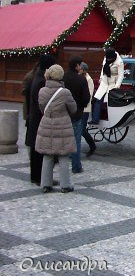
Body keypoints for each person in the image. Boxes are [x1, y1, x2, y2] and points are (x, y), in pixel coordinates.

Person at [35, 64, 77, 193]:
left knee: (48, 155)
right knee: (63, 155)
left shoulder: (42, 91)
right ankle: (65, 185)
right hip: (63, 125)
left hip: (46, 123)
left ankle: (46, 185)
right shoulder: (65, 92)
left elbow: (42, 108)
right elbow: (73, 109)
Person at [26, 54, 56, 185]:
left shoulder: (36, 77)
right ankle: (39, 177)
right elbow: (42, 104)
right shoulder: (41, 81)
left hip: (34, 118)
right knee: (39, 150)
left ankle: (35, 176)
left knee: (35, 150)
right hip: (39, 119)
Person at [63, 56, 90, 174]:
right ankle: (76, 166)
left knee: (62, 139)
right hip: (76, 113)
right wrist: (81, 106)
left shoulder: (62, 77)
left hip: (62, 113)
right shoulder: (81, 80)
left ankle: (60, 163)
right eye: (80, 65)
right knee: (76, 141)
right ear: (77, 66)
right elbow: (86, 98)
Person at [90, 48, 124, 124]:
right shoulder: (106, 58)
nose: (108, 59)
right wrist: (101, 78)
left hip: (113, 83)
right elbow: (103, 69)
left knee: (108, 102)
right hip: (104, 82)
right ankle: (95, 120)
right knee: (98, 100)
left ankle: (111, 119)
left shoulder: (119, 62)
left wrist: (117, 86)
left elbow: (121, 75)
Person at [79, 62, 96, 157]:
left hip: (85, 108)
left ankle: (92, 145)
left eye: (81, 69)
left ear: (84, 70)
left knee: (82, 130)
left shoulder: (89, 80)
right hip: (79, 107)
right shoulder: (80, 78)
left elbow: (89, 95)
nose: (79, 70)